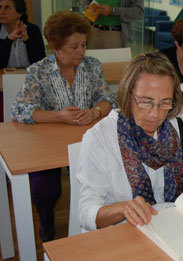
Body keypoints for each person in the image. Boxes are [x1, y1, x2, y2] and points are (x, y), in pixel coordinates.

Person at [76, 52, 183, 232]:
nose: (155, 114)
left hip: (172, 229)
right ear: (127, 94)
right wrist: (123, 208)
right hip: (121, 236)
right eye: (146, 102)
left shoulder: (179, 128)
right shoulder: (99, 138)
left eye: (165, 103)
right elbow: (86, 213)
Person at [11, 11, 115, 241]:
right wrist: (58, 116)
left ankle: (91, 226)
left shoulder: (92, 66)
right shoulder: (39, 72)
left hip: (85, 140)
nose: (81, 52)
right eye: (74, 47)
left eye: (84, 45)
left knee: (100, 182)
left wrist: (95, 111)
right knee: (45, 191)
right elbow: (19, 110)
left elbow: (110, 100)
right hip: (46, 144)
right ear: (56, 48)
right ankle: (46, 222)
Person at [0, 0, 45, 68]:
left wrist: (27, 41)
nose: (1, 12)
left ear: (19, 13)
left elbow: (41, 63)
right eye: (0, 7)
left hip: (29, 76)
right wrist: (9, 40)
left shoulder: (33, 30)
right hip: (4, 77)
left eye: (7, 8)